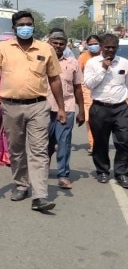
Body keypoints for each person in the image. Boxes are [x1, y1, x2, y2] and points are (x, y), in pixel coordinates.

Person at [0, 11, 66, 212]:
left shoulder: (45, 48)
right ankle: (21, 184)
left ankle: (40, 195)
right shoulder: (3, 48)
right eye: (21, 24)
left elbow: (54, 79)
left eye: (29, 24)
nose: (26, 27)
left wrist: (61, 108)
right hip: (10, 106)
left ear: (34, 26)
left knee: (38, 151)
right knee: (16, 149)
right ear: (14, 28)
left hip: (38, 106)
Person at [82, 33, 128, 188]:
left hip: (120, 108)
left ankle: (121, 172)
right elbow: (89, 84)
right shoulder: (92, 63)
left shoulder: (124, 63)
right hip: (100, 108)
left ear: (117, 48)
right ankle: (102, 170)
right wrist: (103, 69)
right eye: (107, 47)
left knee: (124, 141)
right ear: (101, 47)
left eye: (113, 47)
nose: (110, 50)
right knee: (100, 142)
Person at [45, 28, 85, 189]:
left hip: (67, 108)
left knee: (64, 143)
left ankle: (63, 175)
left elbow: (78, 88)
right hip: (44, 108)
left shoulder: (72, 63)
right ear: (49, 43)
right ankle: (42, 169)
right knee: (44, 143)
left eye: (61, 44)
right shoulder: (42, 61)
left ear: (66, 45)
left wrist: (81, 110)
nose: (58, 46)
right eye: (55, 43)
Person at [78, 34, 101, 155]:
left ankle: (101, 143)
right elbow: (78, 75)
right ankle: (93, 144)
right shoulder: (83, 57)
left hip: (103, 91)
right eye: (91, 44)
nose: (93, 46)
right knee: (89, 119)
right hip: (87, 91)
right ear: (87, 45)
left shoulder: (105, 56)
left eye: (96, 43)